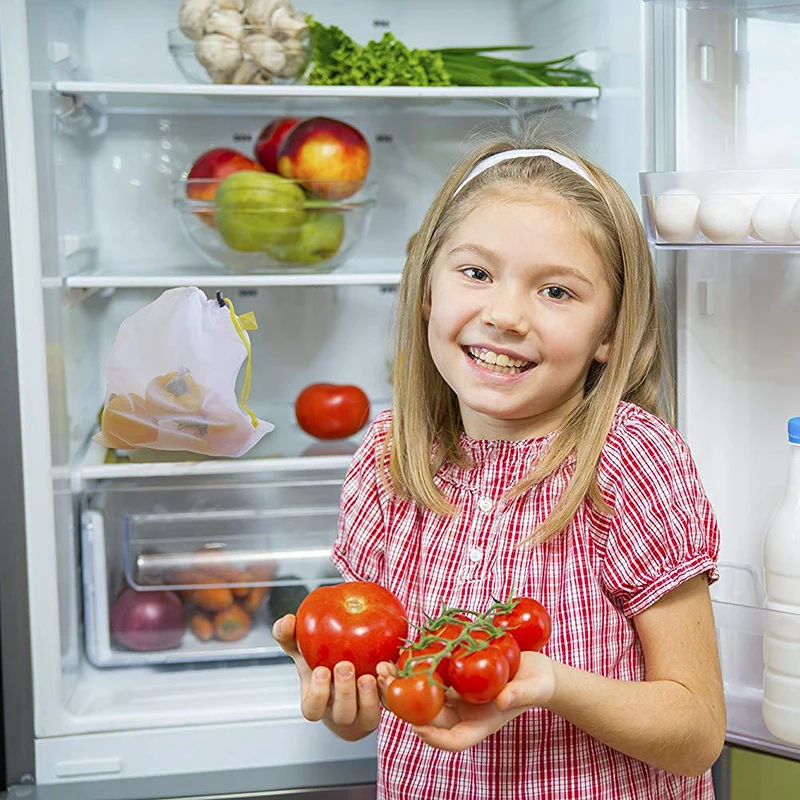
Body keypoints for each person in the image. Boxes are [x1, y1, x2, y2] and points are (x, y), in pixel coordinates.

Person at [273, 138, 726, 799]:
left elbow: (697, 731)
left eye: (556, 290)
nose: (505, 316)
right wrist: (346, 700)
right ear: (427, 290)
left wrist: (552, 684)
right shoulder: (388, 458)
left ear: (608, 333)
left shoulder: (629, 461)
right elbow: (377, 700)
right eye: (476, 273)